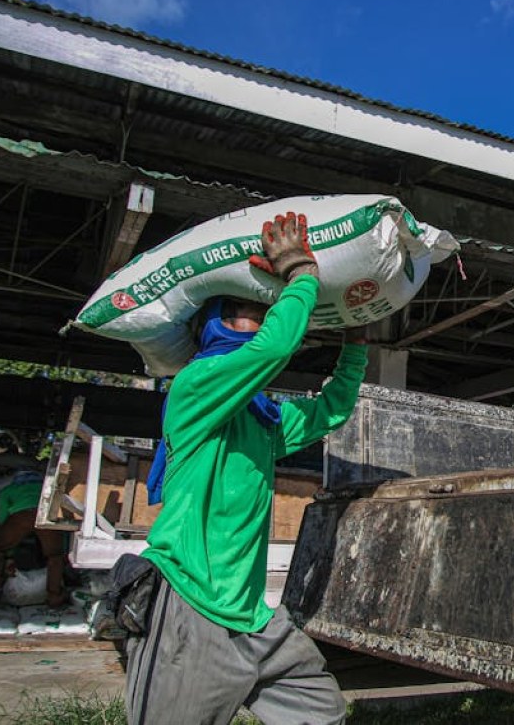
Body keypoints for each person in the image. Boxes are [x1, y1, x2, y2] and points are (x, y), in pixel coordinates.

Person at [125, 211, 369, 725]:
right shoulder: (196, 386)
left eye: (262, 312)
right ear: (209, 325)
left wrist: (354, 347)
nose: (256, 321)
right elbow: (274, 347)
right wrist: (302, 274)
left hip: (256, 617)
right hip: (190, 608)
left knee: (323, 713)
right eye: (241, 311)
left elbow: (331, 411)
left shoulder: (260, 419)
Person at [0, 469, 68, 609]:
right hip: (46, 517)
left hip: (20, 517)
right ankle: (55, 598)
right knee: (55, 556)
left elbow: (3, 517)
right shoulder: (47, 489)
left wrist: (9, 553)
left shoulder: (9, 490)